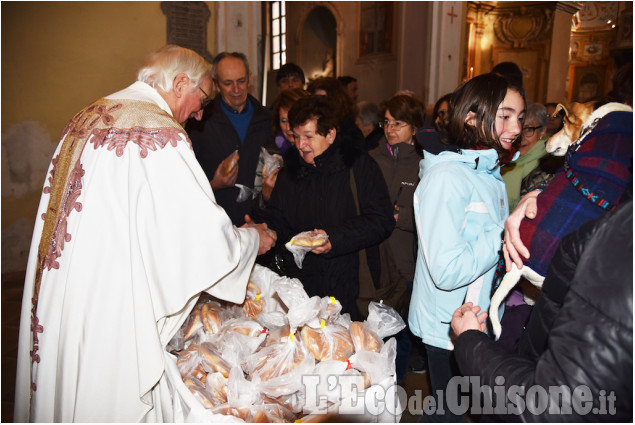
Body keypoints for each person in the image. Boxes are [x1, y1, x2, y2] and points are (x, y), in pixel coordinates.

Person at [14, 45, 275, 422]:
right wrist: (253, 239)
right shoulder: (160, 134)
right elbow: (200, 236)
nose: (200, 114)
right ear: (180, 82)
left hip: (66, 287)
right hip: (112, 298)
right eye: (202, 99)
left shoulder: (88, 117)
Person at [451, 199, 632, 421]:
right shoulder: (619, 219)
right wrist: (546, 199)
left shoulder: (623, 242)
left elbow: (550, 408)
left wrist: (470, 339)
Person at [409, 73, 524, 421]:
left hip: (478, 323)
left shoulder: (489, 173)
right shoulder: (446, 178)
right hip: (448, 329)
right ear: (472, 117)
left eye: (520, 118)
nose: (516, 127)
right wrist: (505, 232)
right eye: (505, 115)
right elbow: (446, 271)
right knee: (453, 413)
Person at [252, 95, 395, 319]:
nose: (301, 145)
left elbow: (381, 220)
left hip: (350, 287)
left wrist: (334, 240)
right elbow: (279, 215)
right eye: (296, 137)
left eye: (308, 136)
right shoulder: (291, 170)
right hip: (303, 289)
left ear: (330, 134)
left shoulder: (357, 165)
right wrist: (263, 227)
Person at [370, 93, 425, 382]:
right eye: (387, 122)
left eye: (398, 123)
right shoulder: (372, 159)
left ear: (414, 128)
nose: (390, 129)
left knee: (400, 332)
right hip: (373, 259)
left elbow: (432, 219)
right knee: (372, 330)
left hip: (405, 262)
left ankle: (396, 388)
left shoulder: (424, 164)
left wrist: (399, 216)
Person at [187, 51, 273, 226]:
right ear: (216, 85)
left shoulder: (267, 119)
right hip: (214, 223)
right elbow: (185, 185)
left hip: (259, 223)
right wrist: (214, 184)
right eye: (228, 83)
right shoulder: (198, 121)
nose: (236, 89)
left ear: (249, 78)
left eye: (241, 81)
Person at [502, 101, 550, 212]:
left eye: (528, 129)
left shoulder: (549, 166)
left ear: (542, 131)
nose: (521, 137)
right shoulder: (505, 158)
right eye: (518, 128)